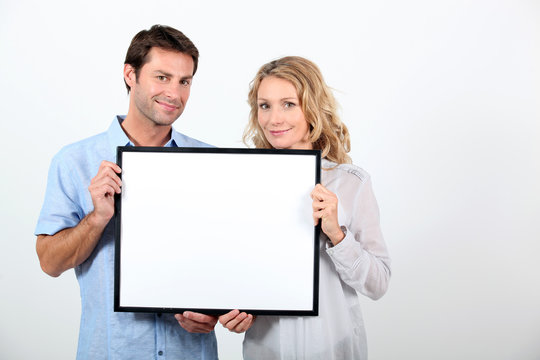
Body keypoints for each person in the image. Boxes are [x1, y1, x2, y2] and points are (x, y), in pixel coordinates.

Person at [35, 25, 218, 359]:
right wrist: (96, 219)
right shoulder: (74, 161)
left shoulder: (212, 162)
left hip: (191, 352)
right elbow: (49, 262)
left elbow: (228, 260)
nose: (174, 93)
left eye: (184, 81)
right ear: (130, 74)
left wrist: (216, 312)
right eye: (162, 77)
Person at [218, 56, 391, 359]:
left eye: (288, 104)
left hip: (333, 347)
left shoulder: (351, 183)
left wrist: (337, 234)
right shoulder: (241, 183)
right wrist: (235, 309)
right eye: (265, 105)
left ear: (311, 108)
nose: (274, 119)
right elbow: (234, 268)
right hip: (267, 348)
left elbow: (378, 284)